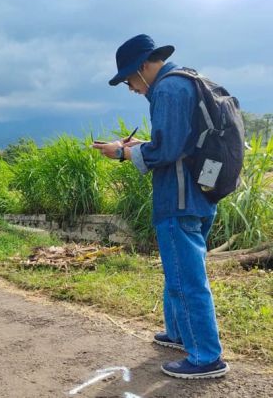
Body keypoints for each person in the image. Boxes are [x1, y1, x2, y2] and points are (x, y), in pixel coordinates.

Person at [93, 34, 229, 379]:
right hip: (201, 193)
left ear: (142, 67)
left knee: (187, 278)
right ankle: (179, 333)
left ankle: (205, 357)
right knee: (179, 271)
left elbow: (167, 152)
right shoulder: (190, 81)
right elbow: (181, 142)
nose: (131, 88)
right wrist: (144, 144)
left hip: (179, 198)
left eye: (128, 80)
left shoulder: (167, 90)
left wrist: (123, 152)